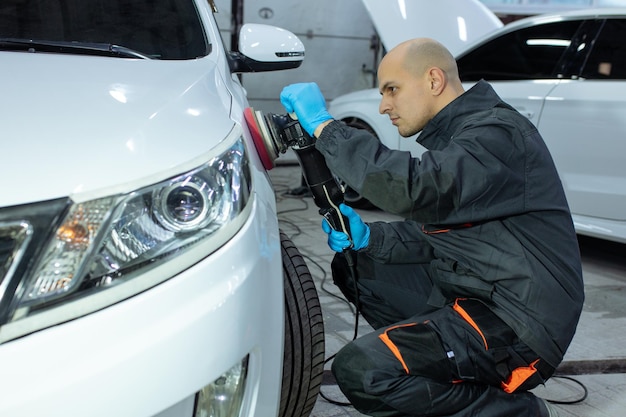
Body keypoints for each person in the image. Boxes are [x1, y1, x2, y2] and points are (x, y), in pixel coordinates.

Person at [279, 38, 584, 417]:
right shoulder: (463, 139)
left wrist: (326, 128)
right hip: (481, 292)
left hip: (520, 322)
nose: (383, 105)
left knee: (363, 370)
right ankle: (440, 370)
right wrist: (372, 237)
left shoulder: (497, 134)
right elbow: (444, 237)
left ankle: (514, 411)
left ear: (435, 80)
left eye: (392, 89)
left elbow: (414, 187)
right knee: (357, 265)